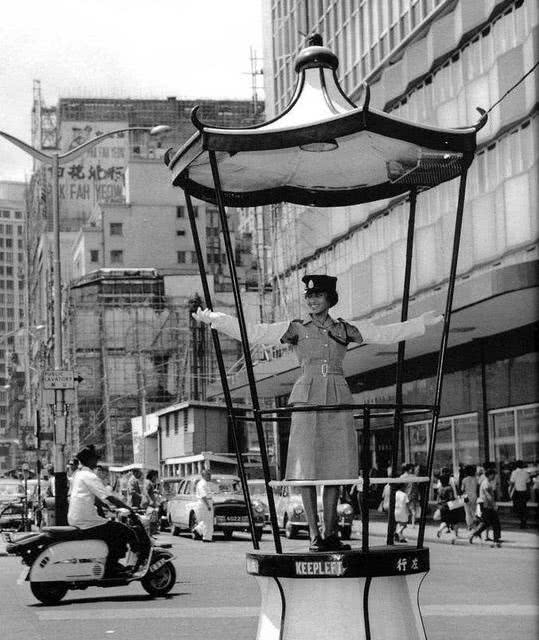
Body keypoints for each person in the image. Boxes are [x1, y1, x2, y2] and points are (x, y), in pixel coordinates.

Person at [194, 274, 442, 552]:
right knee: (306, 468)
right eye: (309, 296)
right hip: (307, 397)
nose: (312, 301)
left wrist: (420, 324)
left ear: (329, 299)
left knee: (336, 469)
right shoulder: (296, 328)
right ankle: (314, 535)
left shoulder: (344, 329)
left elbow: (381, 334)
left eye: (318, 296)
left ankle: (331, 532)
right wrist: (217, 319)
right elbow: (255, 332)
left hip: (337, 397)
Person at [67, 445, 140, 576]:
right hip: (87, 521)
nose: (97, 461)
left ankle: (111, 564)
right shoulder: (89, 476)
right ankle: (112, 568)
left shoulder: (78, 475)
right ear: (89, 460)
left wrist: (107, 507)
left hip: (76, 519)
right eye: (95, 458)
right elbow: (108, 496)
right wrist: (129, 509)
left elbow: (93, 497)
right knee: (123, 531)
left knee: (112, 530)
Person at [469, 468, 501, 547]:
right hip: (487, 505)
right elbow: (488, 495)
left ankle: (474, 534)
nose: (494, 476)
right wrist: (494, 505)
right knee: (495, 522)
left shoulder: (486, 482)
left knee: (486, 523)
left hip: (485, 505)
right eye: (493, 475)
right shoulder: (486, 483)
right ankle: (496, 539)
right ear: (490, 475)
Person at [436, 472, 466, 543]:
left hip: (442, 506)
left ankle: (440, 529)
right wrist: (458, 499)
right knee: (454, 522)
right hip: (449, 507)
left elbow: (438, 499)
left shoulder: (440, 488)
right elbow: (451, 498)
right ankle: (453, 537)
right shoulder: (449, 488)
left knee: (445, 521)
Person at [193, 469, 214, 542]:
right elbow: (203, 496)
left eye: (210, 474)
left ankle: (198, 530)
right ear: (203, 475)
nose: (210, 476)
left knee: (207, 520)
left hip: (206, 502)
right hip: (204, 503)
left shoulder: (205, 483)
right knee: (208, 521)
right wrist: (208, 505)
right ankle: (207, 538)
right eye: (208, 474)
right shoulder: (202, 484)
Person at [509, 460, 530, 529]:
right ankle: (523, 522)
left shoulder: (514, 472)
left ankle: (522, 521)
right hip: (524, 492)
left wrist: (510, 491)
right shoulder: (526, 473)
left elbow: (512, 482)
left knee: (518, 507)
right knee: (524, 507)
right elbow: (528, 483)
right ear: (522, 465)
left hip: (517, 492)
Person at [460, 465, 478, 529]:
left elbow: (462, 489)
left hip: (466, 497)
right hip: (474, 496)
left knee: (467, 512)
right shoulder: (476, 479)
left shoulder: (464, 480)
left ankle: (469, 526)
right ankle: (474, 524)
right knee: (474, 511)